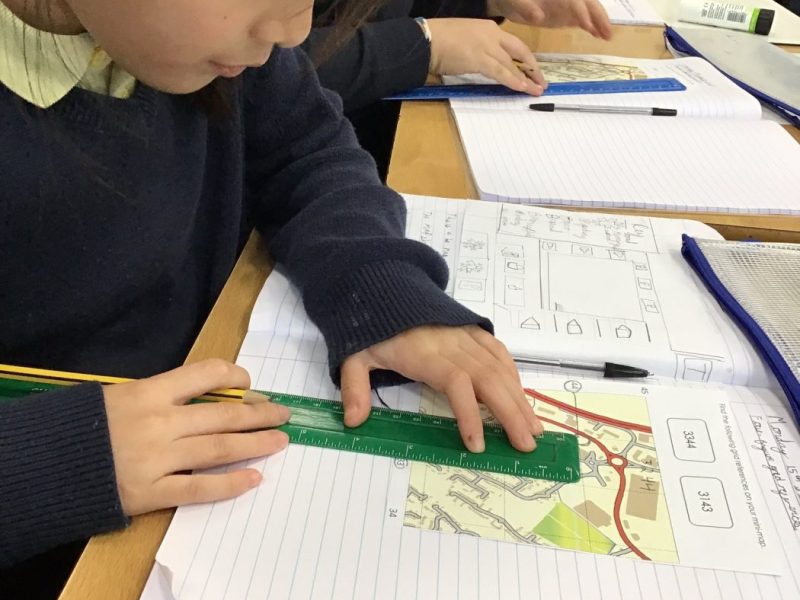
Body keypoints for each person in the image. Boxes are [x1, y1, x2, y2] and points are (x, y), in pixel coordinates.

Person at [0, 0, 543, 595]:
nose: (294, 32)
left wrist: (377, 282)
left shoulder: (219, 53)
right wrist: (51, 462)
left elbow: (308, 153)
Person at [304, 0, 613, 178]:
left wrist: (485, 2)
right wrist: (424, 43)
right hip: (321, 153)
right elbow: (281, 67)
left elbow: (384, 10)